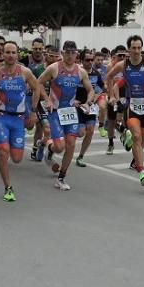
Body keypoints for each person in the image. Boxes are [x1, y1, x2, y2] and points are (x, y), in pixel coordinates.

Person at [0, 40, 43, 201]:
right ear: (3, 54)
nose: (10, 55)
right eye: (7, 52)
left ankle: (8, 152)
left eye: (13, 52)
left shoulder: (25, 72)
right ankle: (8, 187)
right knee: (3, 152)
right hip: (1, 117)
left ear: (18, 55)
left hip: (18, 120)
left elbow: (37, 87)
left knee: (16, 159)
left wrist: (34, 110)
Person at [36, 40, 95, 191]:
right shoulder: (54, 68)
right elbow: (39, 82)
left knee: (71, 144)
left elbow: (90, 90)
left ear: (77, 54)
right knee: (59, 147)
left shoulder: (80, 71)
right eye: (67, 52)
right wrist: (47, 99)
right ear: (62, 53)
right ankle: (48, 148)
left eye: (73, 53)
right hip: (55, 111)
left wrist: (88, 102)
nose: (69, 56)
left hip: (70, 112)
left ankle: (61, 177)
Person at [105, 35, 144, 186]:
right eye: (134, 48)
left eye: (139, 48)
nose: (137, 51)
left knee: (141, 140)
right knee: (136, 137)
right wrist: (111, 95)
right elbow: (108, 77)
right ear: (129, 49)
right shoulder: (122, 65)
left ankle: (133, 155)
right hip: (131, 107)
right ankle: (142, 172)